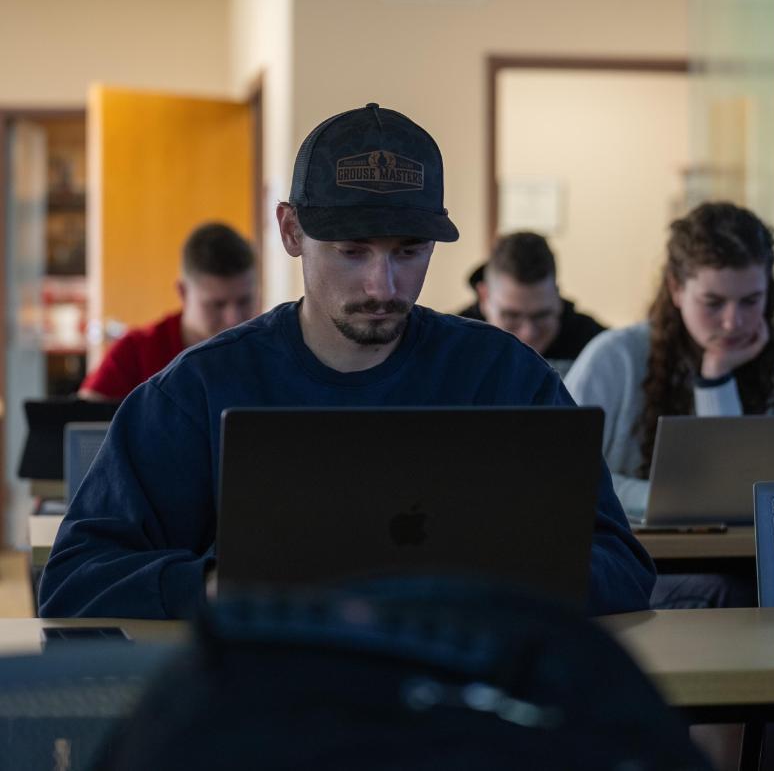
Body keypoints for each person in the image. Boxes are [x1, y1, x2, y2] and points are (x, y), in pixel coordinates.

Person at [39, 103, 654, 620]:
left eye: (408, 252)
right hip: (273, 709)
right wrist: (222, 587)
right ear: (290, 232)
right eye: (351, 251)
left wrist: (491, 583)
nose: (381, 285)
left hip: (460, 702)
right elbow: (74, 580)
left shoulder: (503, 376)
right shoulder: (198, 390)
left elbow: (619, 563)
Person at [565, 201, 774, 608]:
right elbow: (567, 472)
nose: (733, 322)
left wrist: (716, 378)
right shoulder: (615, 357)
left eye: (751, 301)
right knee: (726, 595)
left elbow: (738, 494)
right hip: (627, 561)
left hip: (747, 562)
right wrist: (671, 501)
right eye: (713, 303)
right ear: (676, 289)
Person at [79, 222, 258, 401]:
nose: (233, 319)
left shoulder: (270, 350)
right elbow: (83, 422)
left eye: (244, 301)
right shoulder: (135, 354)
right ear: (183, 292)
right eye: (217, 305)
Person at [458, 231, 606, 377]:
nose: (528, 333)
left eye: (541, 315)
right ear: (484, 297)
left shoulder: (597, 347)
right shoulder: (453, 343)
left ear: (557, 296)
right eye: (511, 316)